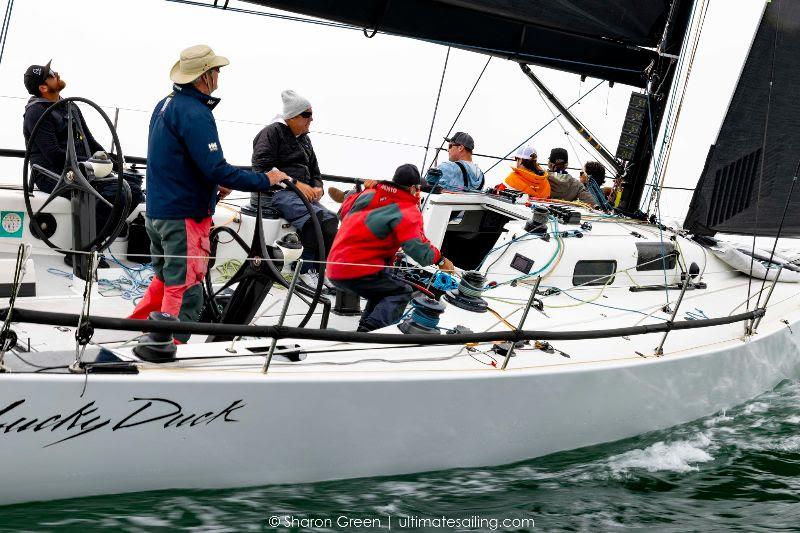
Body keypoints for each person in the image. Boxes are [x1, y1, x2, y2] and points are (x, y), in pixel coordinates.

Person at [129, 45, 289, 341]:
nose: (219, 75)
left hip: (157, 213)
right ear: (205, 76)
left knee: (164, 279)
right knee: (187, 290)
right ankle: (166, 348)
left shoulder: (165, 104)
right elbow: (217, 168)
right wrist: (266, 179)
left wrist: (213, 187)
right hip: (184, 218)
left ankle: (131, 331)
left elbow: (176, 159)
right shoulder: (195, 112)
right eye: (216, 70)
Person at [22, 60, 144, 259]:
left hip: (83, 169)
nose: (57, 73)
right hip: (52, 174)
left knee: (134, 189)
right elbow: (53, 153)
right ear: (43, 88)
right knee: (117, 193)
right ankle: (81, 252)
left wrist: (110, 159)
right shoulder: (36, 112)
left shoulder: (71, 107)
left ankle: (94, 244)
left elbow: (90, 141)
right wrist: (92, 164)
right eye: (51, 74)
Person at [327, 164, 454, 332]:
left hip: (333, 267)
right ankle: (371, 335)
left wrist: (354, 194)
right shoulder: (407, 209)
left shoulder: (368, 193)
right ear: (413, 188)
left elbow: (343, 213)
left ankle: (365, 330)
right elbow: (417, 248)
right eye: (418, 188)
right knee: (401, 292)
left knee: (384, 287)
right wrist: (441, 260)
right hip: (358, 271)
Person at [251, 90, 338, 290]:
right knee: (316, 219)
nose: (311, 119)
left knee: (332, 219)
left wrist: (318, 187)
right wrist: (295, 183)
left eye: (311, 115)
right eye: (307, 115)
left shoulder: (304, 138)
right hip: (277, 193)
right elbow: (262, 166)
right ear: (292, 116)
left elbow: (315, 169)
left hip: (301, 194)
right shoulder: (271, 132)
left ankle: (319, 270)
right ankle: (304, 271)